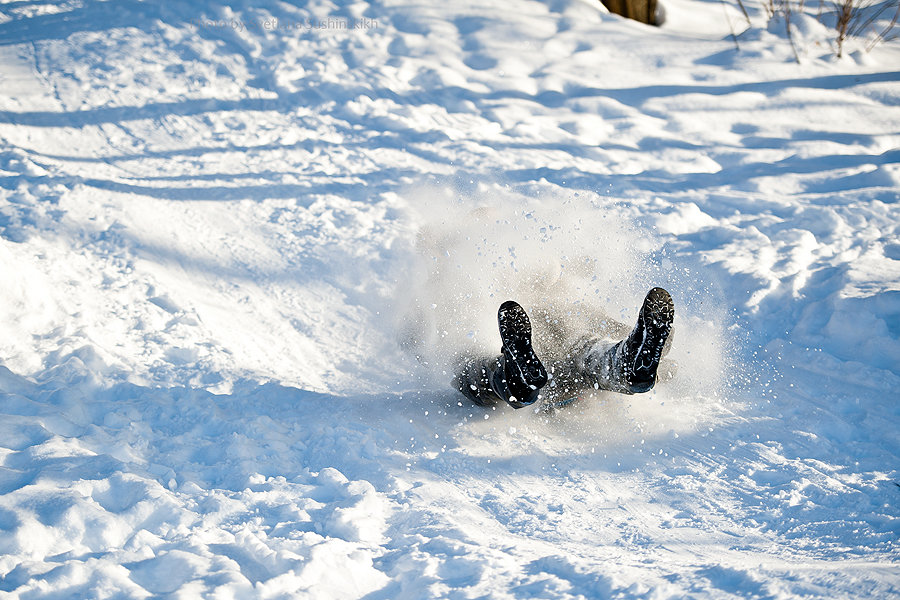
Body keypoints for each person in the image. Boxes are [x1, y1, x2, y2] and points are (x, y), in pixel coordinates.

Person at [454, 287, 675, 410]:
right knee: (591, 350)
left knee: (472, 368)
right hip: (569, 361)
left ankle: (517, 382)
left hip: (557, 345)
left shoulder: (457, 286)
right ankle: (626, 368)